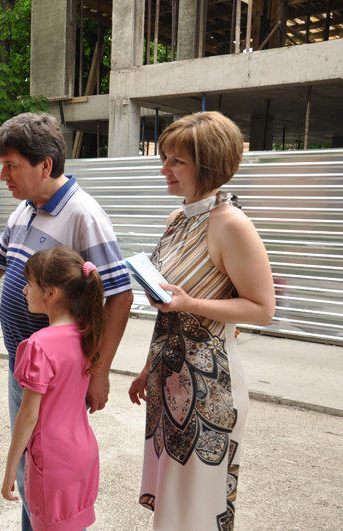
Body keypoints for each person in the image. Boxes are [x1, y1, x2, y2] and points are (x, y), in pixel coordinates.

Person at [0, 112, 133, 529]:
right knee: (31, 473)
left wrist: (101, 370)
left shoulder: (84, 215)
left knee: (43, 471)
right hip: (26, 368)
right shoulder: (26, 210)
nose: (3, 176)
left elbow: (120, 295)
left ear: (45, 165)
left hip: (53, 379)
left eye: (11, 166)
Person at [127, 111, 275, 530]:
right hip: (171, 379)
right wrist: (147, 369)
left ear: (207, 166)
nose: (164, 169)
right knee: (173, 507)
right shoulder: (179, 219)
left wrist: (191, 303)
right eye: (166, 157)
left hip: (210, 387)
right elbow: (170, 307)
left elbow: (262, 308)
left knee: (192, 511)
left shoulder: (230, 224)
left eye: (177, 161)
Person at [2, 246, 105, 531]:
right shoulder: (87, 333)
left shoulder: (38, 346)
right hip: (82, 453)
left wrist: (11, 468)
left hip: (52, 464)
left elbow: (27, 416)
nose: (23, 290)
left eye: (29, 284)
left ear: (51, 293)